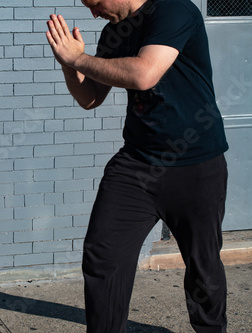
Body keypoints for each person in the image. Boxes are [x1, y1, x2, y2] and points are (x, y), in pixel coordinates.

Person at [46, 0, 229, 332]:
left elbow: (144, 73)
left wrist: (79, 57)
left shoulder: (174, 10)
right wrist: (67, 63)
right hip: (137, 164)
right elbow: (90, 98)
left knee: (203, 270)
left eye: (95, 3)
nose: (93, 13)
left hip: (196, 163)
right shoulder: (113, 33)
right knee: (103, 256)